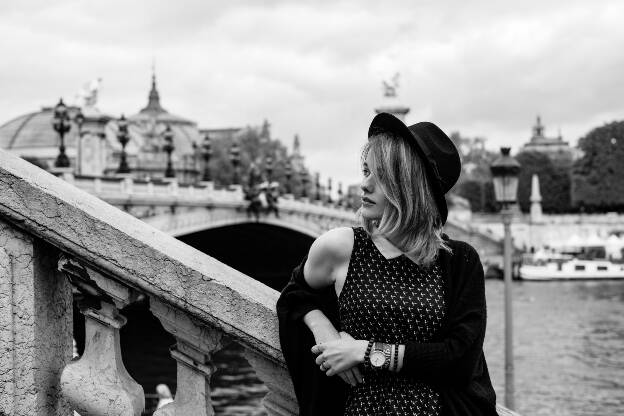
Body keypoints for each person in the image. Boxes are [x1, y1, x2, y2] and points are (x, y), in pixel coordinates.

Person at [277, 112, 497, 416]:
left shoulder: (459, 260)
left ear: (407, 186)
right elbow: (294, 296)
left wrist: (365, 352)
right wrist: (322, 328)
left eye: (377, 176)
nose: (364, 185)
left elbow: (460, 358)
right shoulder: (342, 247)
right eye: (365, 171)